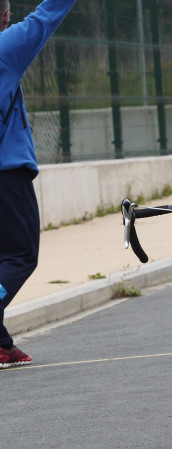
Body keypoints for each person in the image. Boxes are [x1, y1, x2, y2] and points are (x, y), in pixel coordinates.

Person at [0, 0, 78, 369]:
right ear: (4, 16)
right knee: (20, 255)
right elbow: (45, 17)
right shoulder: (5, 49)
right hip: (6, 174)